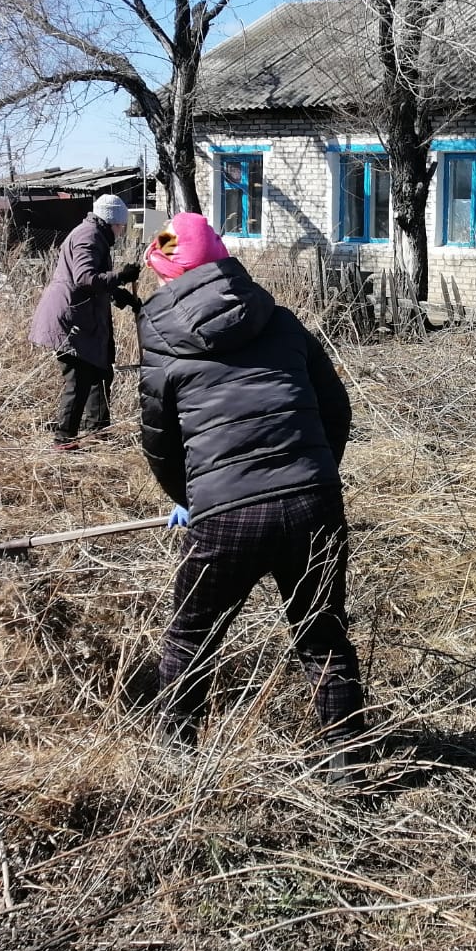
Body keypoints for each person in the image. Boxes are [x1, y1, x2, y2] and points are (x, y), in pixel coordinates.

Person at [136, 211, 366, 774]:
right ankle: (350, 765)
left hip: (226, 516)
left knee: (192, 636)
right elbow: (337, 411)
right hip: (315, 503)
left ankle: (176, 762)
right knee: (323, 634)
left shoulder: (162, 337)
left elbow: (161, 442)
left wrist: (189, 498)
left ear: (171, 274)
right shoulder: (282, 321)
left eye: (161, 273)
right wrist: (311, 473)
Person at [29, 193, 142, 449]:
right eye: (121, 226)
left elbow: (96, 280)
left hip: (84, 318)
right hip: (71, 320)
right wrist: (121, 277)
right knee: (79, 380)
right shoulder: (88, 236)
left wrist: (120, 294)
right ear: (111, 221)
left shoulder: (95, 235)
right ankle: (64, 440)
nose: (121, 232)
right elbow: (85, 278)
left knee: (99, 373)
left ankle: (98, 433)